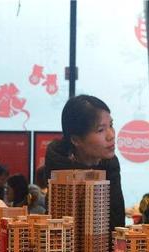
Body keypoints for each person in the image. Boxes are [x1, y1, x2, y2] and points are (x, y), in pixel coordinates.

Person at [44, 94, 125, 230]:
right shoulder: (59, 162)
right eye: (100, 130)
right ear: (76, 140)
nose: (111, 135)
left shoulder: (110, 163)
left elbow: (117, 219)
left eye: (111, 125)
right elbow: (58, 222)